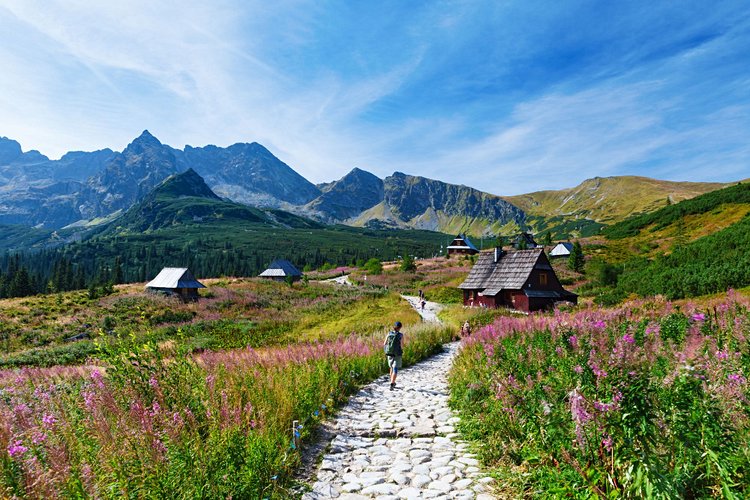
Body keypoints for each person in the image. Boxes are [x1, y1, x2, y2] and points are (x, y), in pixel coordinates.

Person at [383, 321, 403, 391]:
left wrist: (386, 351)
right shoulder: (400, 335)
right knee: (395, 368)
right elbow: (401, 345)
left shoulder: (389, 333)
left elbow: (385, 343)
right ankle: (392, 382)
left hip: (389, 353)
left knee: (391, 367)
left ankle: (392, 381)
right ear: (400, 328)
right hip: (397, 353)